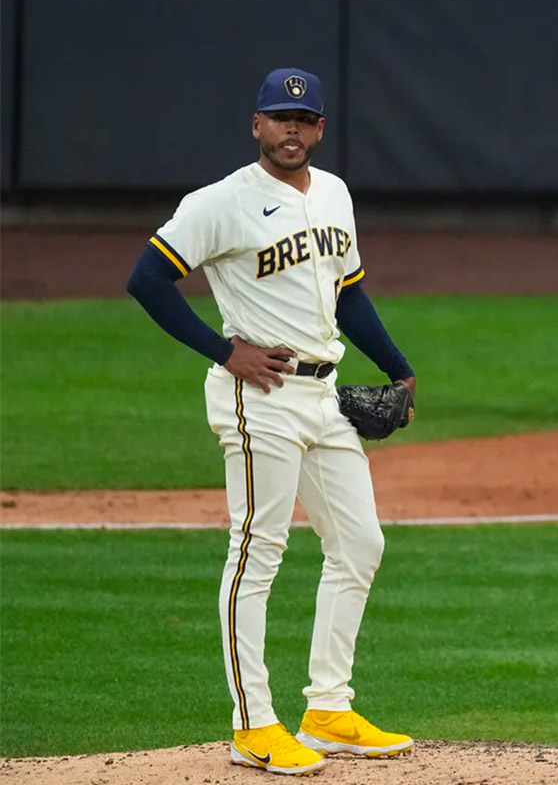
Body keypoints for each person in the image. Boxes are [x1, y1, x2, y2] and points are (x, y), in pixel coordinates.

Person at [125, 67, 415, 776]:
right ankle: (253, 724)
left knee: (360, 545)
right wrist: (227, 352)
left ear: (319, 128)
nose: (292, 130)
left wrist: (398, 366)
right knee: (257, 554)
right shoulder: (221, 202)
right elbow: (147, 279)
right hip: (261, 402)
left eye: (304, 119)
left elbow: (349, 295)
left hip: (324, 396)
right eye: (278, 118)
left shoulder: (336, 194)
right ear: (256, 125)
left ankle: (327, 708)